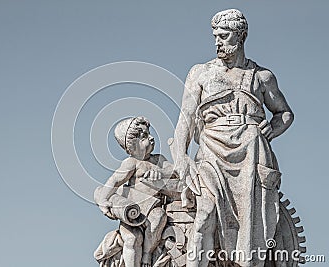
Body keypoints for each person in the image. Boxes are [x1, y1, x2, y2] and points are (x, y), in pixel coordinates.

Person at [172, 9, 294, 267]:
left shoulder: (261, 77)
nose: (217, 41)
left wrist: (272, 128)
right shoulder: (200, 73)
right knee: (204, 215)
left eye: (224, 36)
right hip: (211, 150)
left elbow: (284, 114)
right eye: (215, 36)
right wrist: (180, 155)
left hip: (250, 153)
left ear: (241, 36)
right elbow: (185, 118)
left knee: (251, 223)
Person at [95, 116, 176, 267]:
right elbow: (114, 181)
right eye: (144, 136)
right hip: (133, 212)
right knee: (133, 239)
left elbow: (175, 171)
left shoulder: (159, 159)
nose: (151, 138)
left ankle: (146, 254)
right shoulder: (131, 163)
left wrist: (161, 173)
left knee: (159, 217)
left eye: (149, 134)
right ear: (131, 145)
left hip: (153, 208)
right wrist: (103, 200)